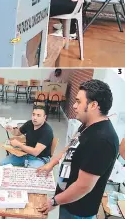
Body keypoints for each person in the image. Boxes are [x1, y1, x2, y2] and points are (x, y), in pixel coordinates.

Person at [37, 80, 119, 219]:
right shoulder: (87, 124)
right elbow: (71, 146)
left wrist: (54, 201)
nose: (74, 106)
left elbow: (83, 186)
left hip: (78, 210)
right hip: (67, 200)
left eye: (78, 102)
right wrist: (52, 163)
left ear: (93, 105)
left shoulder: (102, 140)